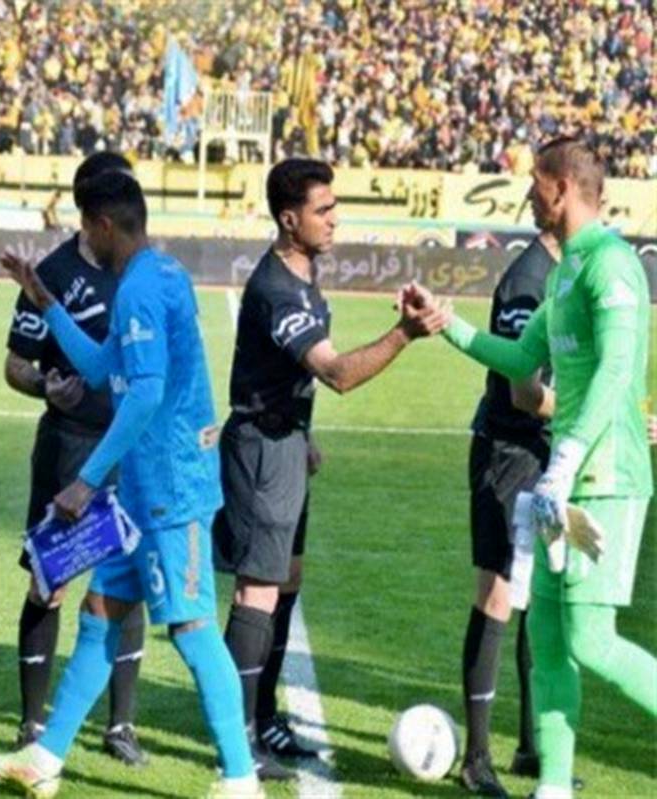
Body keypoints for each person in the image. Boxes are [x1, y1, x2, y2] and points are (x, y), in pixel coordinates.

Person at [0, 171, 261, 798]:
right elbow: (103, 366)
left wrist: (85, 480)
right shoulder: (159, 275)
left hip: (170, 489)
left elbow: (147, 394)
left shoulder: (141, 291)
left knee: (191, 627)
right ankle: (44, 759)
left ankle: (241, 779)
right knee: (100, 611)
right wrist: (46, 302)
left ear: (103, 225)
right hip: (141, 490)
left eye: (84, 226)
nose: (83, 239)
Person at [414, 137, 654, 799]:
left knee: (591, 639)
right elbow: (520, 359)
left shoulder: (612, 264)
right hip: (563, 484)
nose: (527, 195)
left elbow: (615, 370)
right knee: (547, 638)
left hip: (607, 480)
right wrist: (446, 323)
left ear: (563, 187)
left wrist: (568, 457)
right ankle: (552, 786)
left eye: (536, 183)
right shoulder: (565, 271)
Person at [213, 158, 447, 777]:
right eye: (323, 210)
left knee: (286, 580)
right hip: (261, 449)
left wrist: (304, 432)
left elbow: (286, 373)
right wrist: (404, 334)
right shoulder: (278, 288)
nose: (335, 219)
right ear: (290, 220)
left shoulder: (305, 277)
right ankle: (237, 740)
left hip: (287, 440)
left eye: (334, 207)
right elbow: (337, 374)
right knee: (257, 590)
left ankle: (263, 717)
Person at [5, 150, 148, 765]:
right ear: (89, 211)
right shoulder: (54, 274)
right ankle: (32, 723)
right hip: (70, 446)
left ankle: (121, 725)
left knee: (128, 581)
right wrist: (46, 385)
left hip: (131, 448)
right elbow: (15, 364)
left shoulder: (142, 269)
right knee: (51, 581)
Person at [457, 232, 560, 798]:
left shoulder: (564, 271)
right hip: (508, 452)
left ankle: (530, 747)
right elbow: (523, 391)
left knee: (537, 597)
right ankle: (476, 758)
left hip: (544, 450)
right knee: (496, 594)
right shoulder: (528, 278)